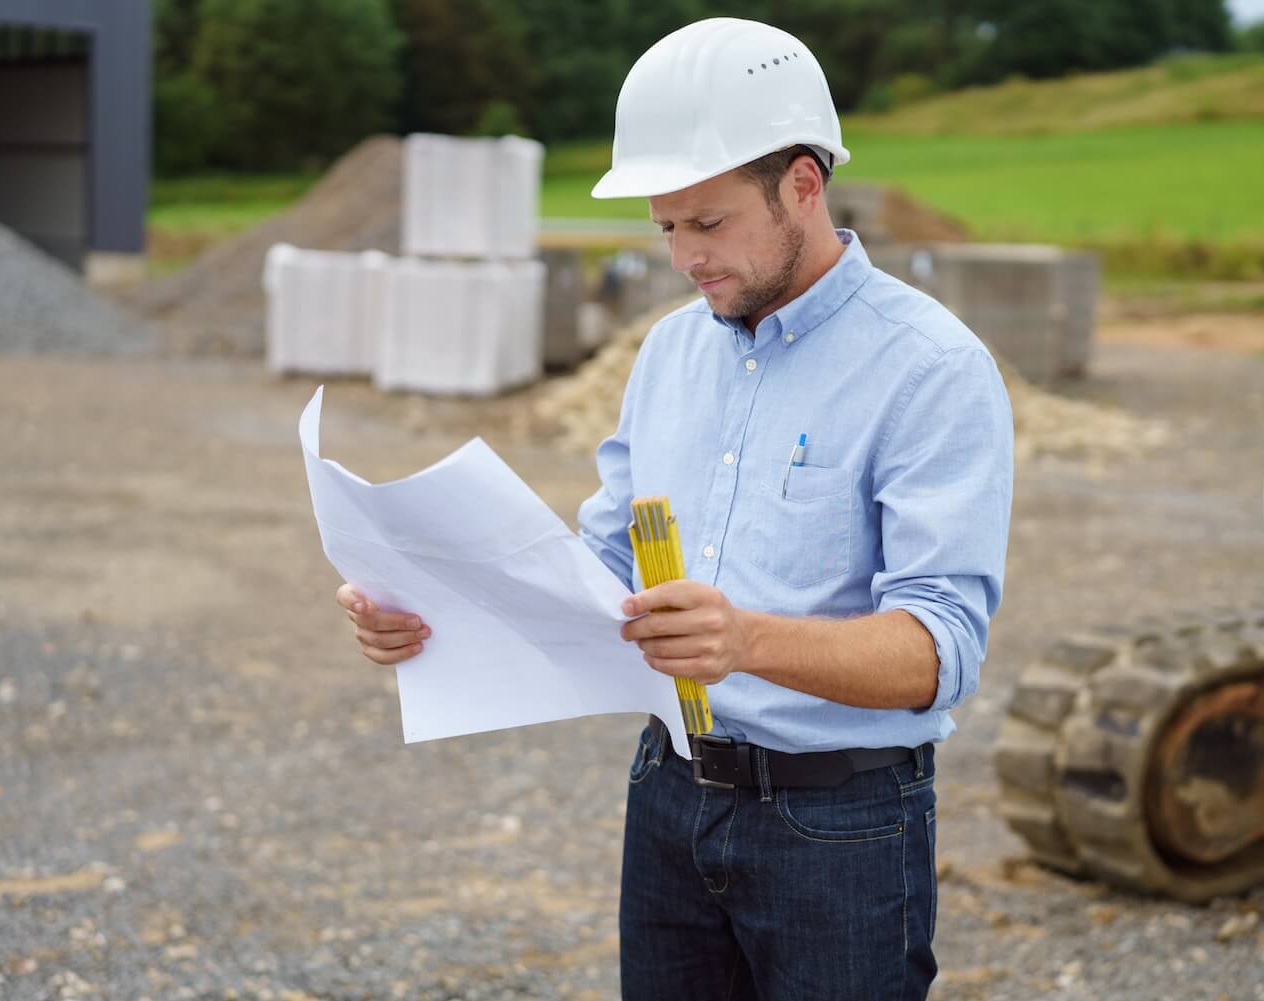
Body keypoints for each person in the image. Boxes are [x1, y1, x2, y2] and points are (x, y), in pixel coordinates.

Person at [337, 17, 1013, 1000]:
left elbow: (940, 649)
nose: (684, 258)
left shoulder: (931, 368)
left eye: (708, 223)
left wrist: (746, 639)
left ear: (803, 183)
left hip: (841, 824)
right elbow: (600, 573)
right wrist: (429, 608)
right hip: (668, 792)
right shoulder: (668, 352)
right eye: (666, 229)